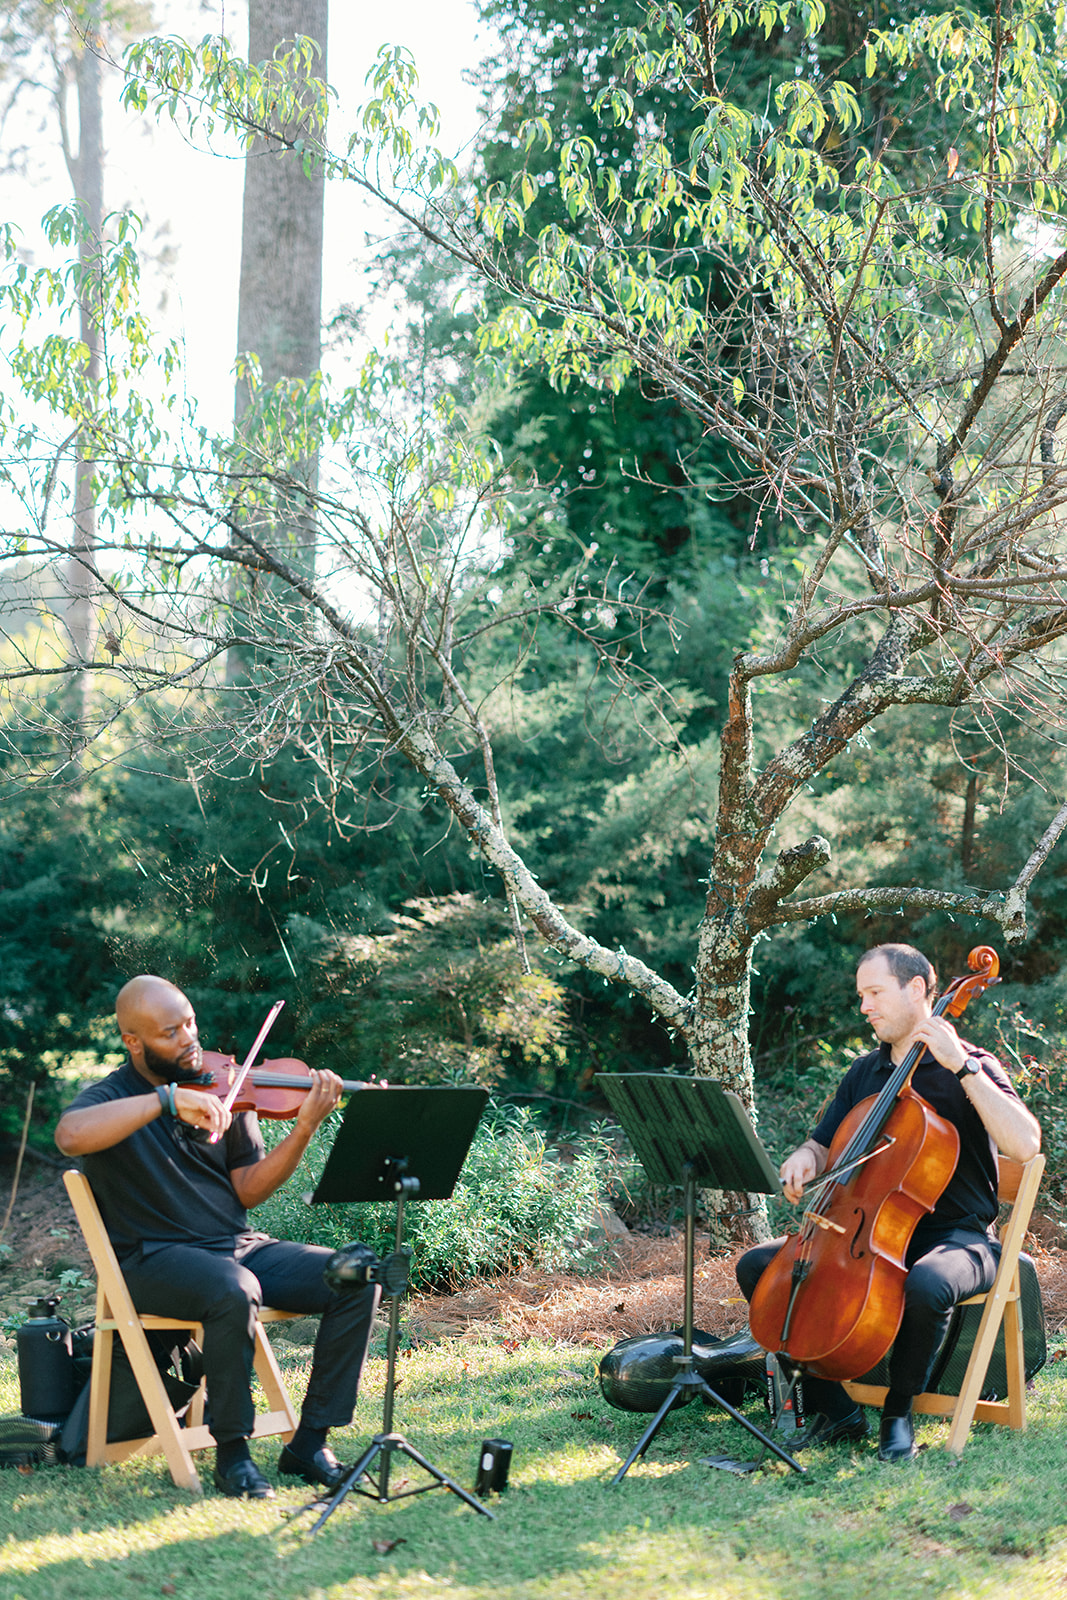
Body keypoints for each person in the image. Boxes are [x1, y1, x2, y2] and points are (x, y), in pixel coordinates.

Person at [55, 975, 378, 1500]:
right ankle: (234, 1456)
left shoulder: (225, 1083)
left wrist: (303, 1130)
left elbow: (249, 1190)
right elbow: (70, 1136)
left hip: (237, 1247)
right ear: (134, 1041)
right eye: (169, 1032)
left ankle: (310, 1442)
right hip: (151, 1261)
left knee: (357, 1275)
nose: (189, 1039)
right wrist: (165, 1101)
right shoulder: (112, 1096)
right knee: (234, 1289)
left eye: (190, 1022)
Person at [738, 943, 1041, 1463]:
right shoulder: (865, 1073)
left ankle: (898, 1414)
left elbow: (1025, 1144)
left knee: (926, 1284)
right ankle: (835, 1409)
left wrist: (964, 1067)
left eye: (875, 992)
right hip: (866, 1235)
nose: (865, 1006)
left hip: (958, 1239)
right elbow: (823, 1141)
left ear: (918, 988)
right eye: (861, 995)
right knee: (762, 1268)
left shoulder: (969, 1065)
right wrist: (805, 1158)